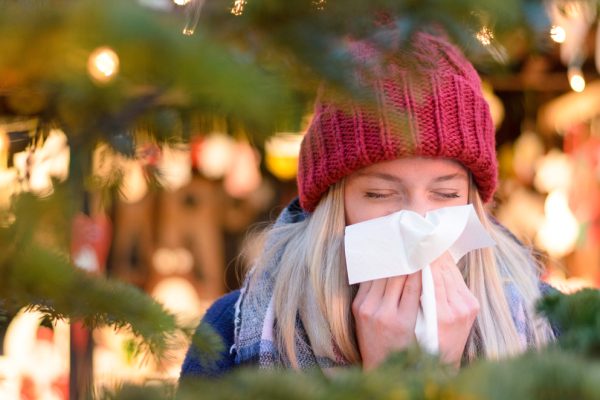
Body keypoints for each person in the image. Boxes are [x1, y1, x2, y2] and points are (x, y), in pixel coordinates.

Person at [179, 28, 556, 377]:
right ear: (334, 204)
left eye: (446, 194)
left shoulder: (554, 323)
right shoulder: (229, 333)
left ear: (473, 201)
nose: (417, 220)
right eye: (379, 194)